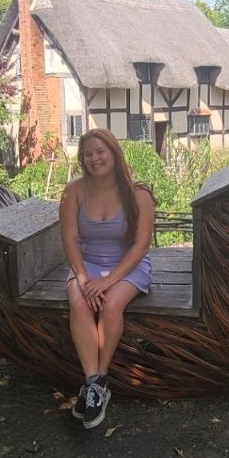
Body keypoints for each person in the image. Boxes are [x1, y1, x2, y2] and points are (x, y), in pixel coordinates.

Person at [59, 128, 155, 429]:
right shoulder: (73, 191)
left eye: (100, 151)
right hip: (86, 266)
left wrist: (108, 280)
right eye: (88, 154)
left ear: (113, 153)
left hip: (127, 267)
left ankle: (98, 380)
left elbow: (141, 246)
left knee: (111, 305)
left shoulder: (138, 194)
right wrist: (85, 279)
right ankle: (94, 383)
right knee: (78, 301)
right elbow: (70, 240)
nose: (94, 158)